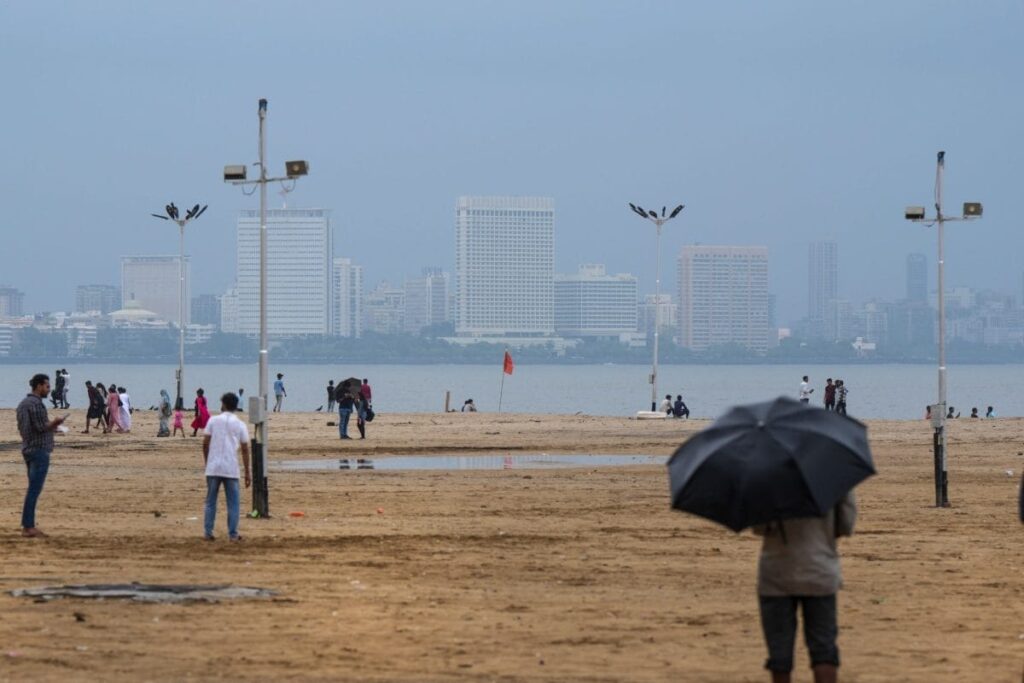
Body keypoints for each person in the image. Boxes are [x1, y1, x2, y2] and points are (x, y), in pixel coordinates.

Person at [754, 491, 857, 683]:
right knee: (824, 650)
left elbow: (759, 528)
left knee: (779, 654)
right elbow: (846, 525)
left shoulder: (766, 480)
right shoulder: (833, 479)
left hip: (776, 573)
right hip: (819, 570)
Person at [17, 373, 67, 538]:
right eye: (47, 386)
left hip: (28, 448)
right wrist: (55, 423)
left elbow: (26, 427)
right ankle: (28, 526)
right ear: (39, 386)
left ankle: (28, 525)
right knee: (34, 489)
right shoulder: (36, 404)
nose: (49, 389)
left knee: (33, 488)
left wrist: (51, 428)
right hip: (39, 450)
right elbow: (40, 427)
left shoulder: (23, 404)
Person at [201, 392, 251, 541]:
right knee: (233, 503)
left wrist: (207, 462)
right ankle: (233, 533)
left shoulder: (213, 420)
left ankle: (208, 532)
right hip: (230, 467)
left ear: (223, 404)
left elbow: (205, 443)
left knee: (211, 501)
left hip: (214, 466)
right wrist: (247, 471)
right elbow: (245, 449)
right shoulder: (240, 424)